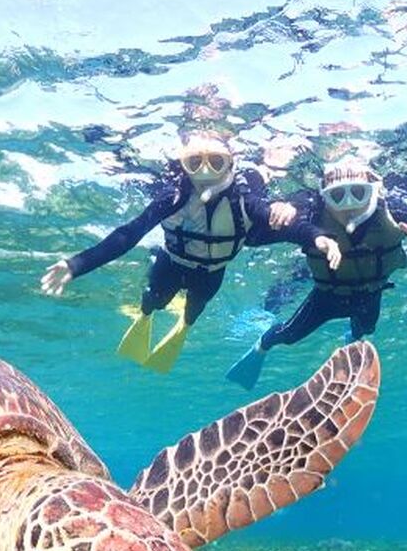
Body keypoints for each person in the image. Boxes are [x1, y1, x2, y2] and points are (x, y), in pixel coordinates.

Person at [40, 131, 323, 373]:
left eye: (216, 162)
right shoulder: (173, 196)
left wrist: (312, 231)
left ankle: (184, 324)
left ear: (230, 164)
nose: (205, 172)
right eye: (195, 162)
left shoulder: (245, 198)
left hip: (212, 272)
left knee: (194, 310)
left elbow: (290, 223)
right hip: (171, 263)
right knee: (152, 300)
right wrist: (77, 265)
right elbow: (128, 234)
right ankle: (145, 316)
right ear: (184, 165)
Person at [226, 158, 407, 389]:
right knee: (288, 334)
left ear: (374, 191)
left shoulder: (393, 210)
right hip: (326, 296)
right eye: (337, 196)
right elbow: (255, 233)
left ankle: (350, 341)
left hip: (370, 293)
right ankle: (261, 346)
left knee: (364, 330)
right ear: (324, 196)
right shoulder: (312, 208)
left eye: (358, 193)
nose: (349, 205)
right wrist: (277, 209)